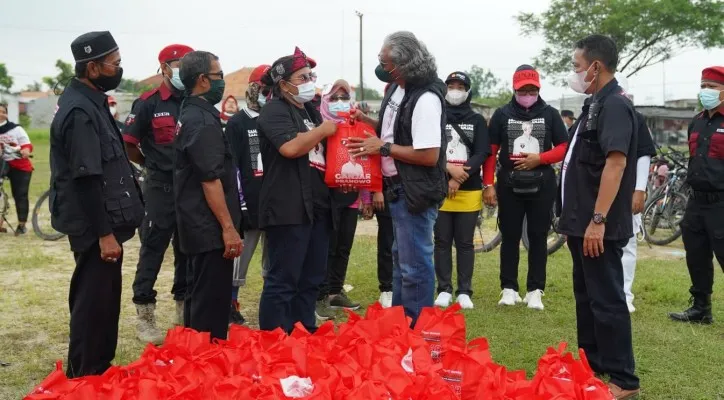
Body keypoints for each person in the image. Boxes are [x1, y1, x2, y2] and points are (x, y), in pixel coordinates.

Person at [50, 31, 144, 377]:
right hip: (95, 226)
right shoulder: (79, 110)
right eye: (114, 64)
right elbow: (86, 177)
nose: (119, 69)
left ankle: (98, 367)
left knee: (103, 300)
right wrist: (105, 233)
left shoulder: (92, 100)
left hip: (104, 222)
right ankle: (87, 373)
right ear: (92, 67)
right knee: (93, 301)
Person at [557, 34, 640, 398]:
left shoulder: (616, 106)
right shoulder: (594, 104)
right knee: (586, 297)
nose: (575, 74)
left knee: (607, 300)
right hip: (580, 223)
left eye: (577, 67)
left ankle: (623, 380)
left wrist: (599, 220)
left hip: (598, 225)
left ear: (595, 66)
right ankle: (593, 368)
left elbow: (616, 163)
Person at [347, 31, 447, 326]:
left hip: (414, 191)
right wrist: (369, 123)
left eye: (384, 61)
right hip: (397, 188)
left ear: (403, 64)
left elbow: (428, 154)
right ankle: (402, 326)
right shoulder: (397, 89)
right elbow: (396, 130)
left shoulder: (426, 98)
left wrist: (384, 148)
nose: (380, 66)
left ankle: (416, 330)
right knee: (401, 262)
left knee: (414, 265)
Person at [256, 47, 337, 333]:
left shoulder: (310, 111)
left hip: (316, 207)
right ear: (283, 84)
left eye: (311, 75)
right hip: (288, 206)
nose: (310, 81)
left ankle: (304, 331)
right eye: (303, 77)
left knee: (311, 277)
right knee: (283, 278)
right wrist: (323, 131)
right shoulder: (274, 111)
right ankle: (274, 338)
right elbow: (290, 148)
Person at [122, 44, 194, 345]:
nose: (184, 70)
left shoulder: (195, 101)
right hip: (160, 188)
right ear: (164, 68)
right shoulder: (148, 103)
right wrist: (151, 163)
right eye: (179, 64)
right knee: (153, 248)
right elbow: (129, 143)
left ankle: (183, 311)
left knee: (187, 250)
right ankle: (145, 315)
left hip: (190, 189)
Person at [484, 65, 568, 311]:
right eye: (523, 90)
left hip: (542, 184)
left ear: (539, 88)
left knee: (538, 237)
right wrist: (488, 183)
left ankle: (535, 290)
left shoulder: (551, 114)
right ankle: (508, 288)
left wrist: (539, 159)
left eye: (532, 89)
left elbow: (564, 147)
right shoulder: (502, 114)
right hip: (509, 184)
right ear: (515, 89)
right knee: (509, 235)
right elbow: (490, 152)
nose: (528, 94)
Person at [175, 51, 242, 340]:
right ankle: (206, 362)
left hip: (196, 221)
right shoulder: (201, 121)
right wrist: (228, 229)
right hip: (208, 225)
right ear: (202, 80)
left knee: (199, 296)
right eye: (218, 75)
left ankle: (197, 358)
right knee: (210, 305)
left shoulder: (191, 112)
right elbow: (210, 180)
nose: (222, 81)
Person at [669, 66, 724, 325]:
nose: (706, 91)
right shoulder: (698, 120)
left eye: (712, 87)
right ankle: (701, 308)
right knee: (696, 255)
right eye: (703, 85)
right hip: (696, 201)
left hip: (721, 202)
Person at [314, 79, 371, 320]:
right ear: (325, 100)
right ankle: (320, 296)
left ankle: (336, 292)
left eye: (344, 97)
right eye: (334, 98)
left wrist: (366, 196)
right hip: (326, 197)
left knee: (343, 246)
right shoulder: (318, 125)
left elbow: (367, 161)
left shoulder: (356, 124)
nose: (339, 102)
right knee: (326, 246)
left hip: (352, 195)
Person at [433, 71, 489, 310]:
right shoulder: (436, 115)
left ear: (468, 91)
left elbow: (482, 152)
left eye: (460, 86)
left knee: (465, 242)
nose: (455, 90)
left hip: (469, 188)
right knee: (442, 241)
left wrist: (459, 176)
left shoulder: (477, 120)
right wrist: (448, 173)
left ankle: (464, 290)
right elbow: (430, 148)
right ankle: (444, 289)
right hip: (439, 186)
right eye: (451, 85)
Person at [226, 64, 272, 325]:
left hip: (276, 204)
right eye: (264, 90)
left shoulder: (277, 119)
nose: (268, 95)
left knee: (273, 260)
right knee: (239, 262)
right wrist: (239, 204)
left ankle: (270, 303)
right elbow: (232, 166)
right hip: (248, 204)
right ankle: (231, 302)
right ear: (253, 89)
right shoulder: (237, 123)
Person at [622, 110, 656, 313]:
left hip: (627, 189)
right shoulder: (591, 112)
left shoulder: (635, 118)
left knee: (627, 243)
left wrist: (640, 188)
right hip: (595, 189)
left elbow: (643, 154)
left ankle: (625, 294)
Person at [0, 103, 33, 235]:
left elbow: (27, 144)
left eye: (3, 111)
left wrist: (25, 150)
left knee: (20, 194)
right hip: (1, 163)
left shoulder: (16, 129)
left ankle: (22, 224)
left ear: (6, 114)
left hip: (19, 163)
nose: (0, 114)